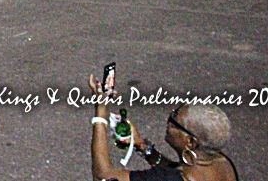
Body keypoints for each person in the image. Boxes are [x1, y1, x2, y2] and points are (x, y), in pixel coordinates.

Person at [87, 74, 238, 181]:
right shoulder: (221, 162)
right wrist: (142, 146)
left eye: (174, 119)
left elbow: (103, 176)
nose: (168, 120)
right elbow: (177, 170)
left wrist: (100, 113)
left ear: (191, 142)